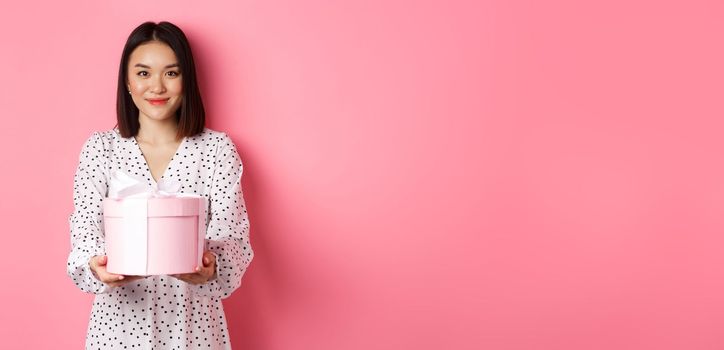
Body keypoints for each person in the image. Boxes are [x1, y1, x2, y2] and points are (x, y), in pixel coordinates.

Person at [66, 21, 254, 349]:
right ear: (126, 81)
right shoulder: (101, 149)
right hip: (119, 328)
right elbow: (84, 232)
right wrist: (97, 265)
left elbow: (234, 238)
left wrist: (212, 267)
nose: (157, 87)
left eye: (170, 73)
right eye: (143, 73)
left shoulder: (216, 150)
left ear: (187, 80)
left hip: (193, 327)